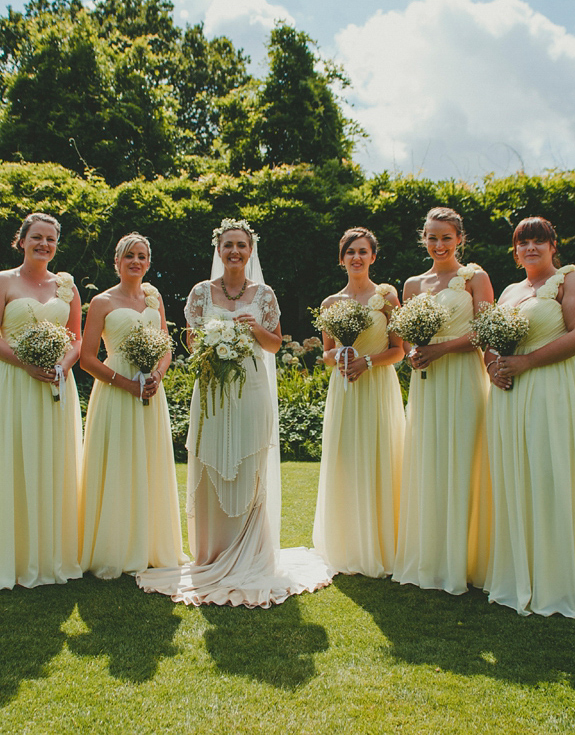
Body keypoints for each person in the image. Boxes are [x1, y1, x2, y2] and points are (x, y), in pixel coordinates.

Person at [136, 219, 333, 607]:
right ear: (219, 249)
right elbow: (190, 342)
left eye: (241, 246)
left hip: (252, 389)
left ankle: (250, 554)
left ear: (250, 250)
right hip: (211, 388)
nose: (235, 252)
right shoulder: (200, 293)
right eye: (228, 245)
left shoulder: (264, 294)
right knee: (211, 464)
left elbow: (275, 345)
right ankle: (211, 554)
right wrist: (210, 339)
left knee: (248, 465)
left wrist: (256, 328)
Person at [484, 216, 575, 617]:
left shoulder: (571, 280)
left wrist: (527, 361)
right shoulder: (511, 290)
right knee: (521, 477)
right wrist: (492, 367)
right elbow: (490, 338)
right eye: (523, 242)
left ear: (553, 246)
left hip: (555, 389)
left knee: (555, 476)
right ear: (515, 251)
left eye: (539, 241)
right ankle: (526, 575)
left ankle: (565, 581)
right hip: (512, 395)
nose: (530, 248)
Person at [0, 212, 83, 591]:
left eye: (50, 239)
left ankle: (50, 555)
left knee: (52, 462)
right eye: (37, 237)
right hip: (13, 381)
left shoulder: (67, 287)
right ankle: (9, 556)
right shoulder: (3, 281)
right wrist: (26, 363)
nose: (44, 244)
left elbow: (76, 338)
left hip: (56, 385)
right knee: (11, 460)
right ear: (22, 240)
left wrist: (63, 364)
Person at [392, 207, 493, 596]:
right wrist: (416, 350)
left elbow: (486, 329)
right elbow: (403, 336)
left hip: (464, 377)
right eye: (432, 238)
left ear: (459, 239)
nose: (438, 245)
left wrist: (442, 349)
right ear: (424, 239)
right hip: (427, 384)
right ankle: (431, 558)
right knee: (429, 460)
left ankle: (462, 562)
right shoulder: (413, 284)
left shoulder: (474, 277)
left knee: (464, 460)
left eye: (446, 238)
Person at [79, 233, 187, 579]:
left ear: (149, 263)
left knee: (148, 463)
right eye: (129, 256)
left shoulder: (154, 300)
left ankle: (151, 545)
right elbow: (86, 358)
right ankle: (114, 548)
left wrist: (157, 374)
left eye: (142, 256)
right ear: (117, 262)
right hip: (115, 390)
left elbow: (167, 348)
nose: (136, 262)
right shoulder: (102, 302)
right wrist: (125, 384)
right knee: (117, 463)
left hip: (150, 394)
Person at [312, 227, 406, 577]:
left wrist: (366, 362)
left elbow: (399, 351)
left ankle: (382, 544)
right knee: (346, 460)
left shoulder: (386, 296)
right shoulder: (329, 304)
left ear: (373, 257)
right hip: (345, 390)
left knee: (381, 456)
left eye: (363, 251)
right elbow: (324, 354)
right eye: (350, 252)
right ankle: (348, 543)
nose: (356, 257)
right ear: (341, 259)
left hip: (377, 385)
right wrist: (338, 355)